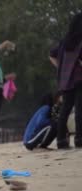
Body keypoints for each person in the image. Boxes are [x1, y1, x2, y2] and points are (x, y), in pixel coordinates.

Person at [49, 12, 82, 149]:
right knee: (80, 109)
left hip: (66, 79)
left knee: (65, 109)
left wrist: (62, 68)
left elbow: (51, 55)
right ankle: (80, 140)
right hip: (80, 78)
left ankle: (61, 140)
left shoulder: (64, 41)